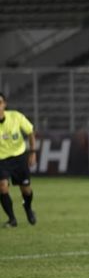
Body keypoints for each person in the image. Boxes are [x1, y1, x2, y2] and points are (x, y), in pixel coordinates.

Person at [0, 92, 37, 228]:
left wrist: (33, 152)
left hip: (19, 157)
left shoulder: (15, 117)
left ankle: (28, 209)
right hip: (1, 160)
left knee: (26, 190)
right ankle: (12, 219)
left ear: (4, 104)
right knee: (2, 187)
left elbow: (30, 131)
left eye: (0, 103)